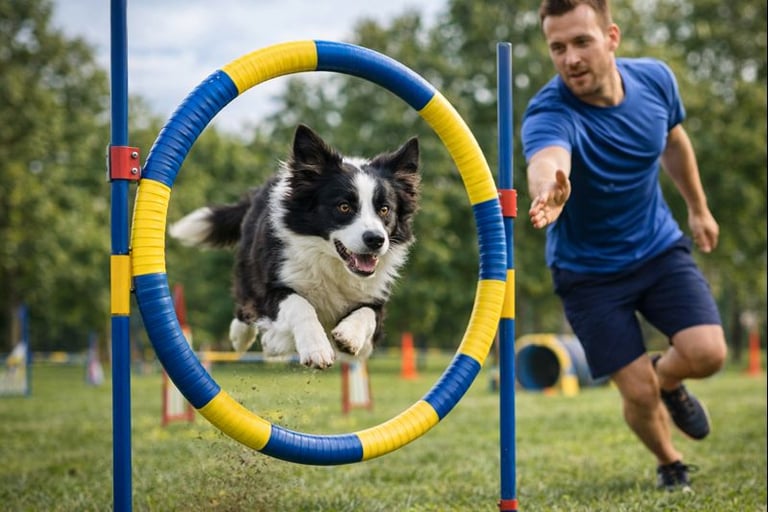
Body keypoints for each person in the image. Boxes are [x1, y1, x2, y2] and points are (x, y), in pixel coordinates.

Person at [521, 0, 728, 492]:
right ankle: (671, 462)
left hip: (657, 248)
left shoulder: (656, 80)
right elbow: (547, 159)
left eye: (581, 42)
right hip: (588, 273)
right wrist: (549, 190)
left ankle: (667, 378)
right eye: (557, 47)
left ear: (611, 37)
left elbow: (673, 141)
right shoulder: (549, 111)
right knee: (637, 392)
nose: (570, 58)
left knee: (708, 354)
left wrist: (698, 208)